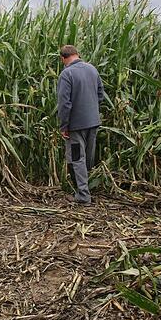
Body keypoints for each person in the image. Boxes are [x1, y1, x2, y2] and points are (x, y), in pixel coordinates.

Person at [57, 45, 105, 205]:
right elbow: (100, 95)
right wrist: (90, 109)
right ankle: (85, 188)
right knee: (87, 158)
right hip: (93, 122)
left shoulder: (67, 74)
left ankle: (83, 196)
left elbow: (64, 103)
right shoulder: (92, 69)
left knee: (77, 159)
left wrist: (64, 126)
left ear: (63, 58)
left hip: (76, 126)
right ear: (77, 54)